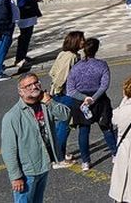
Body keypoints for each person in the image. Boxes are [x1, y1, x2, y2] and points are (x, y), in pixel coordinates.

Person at [1, 73, 69, 203]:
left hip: (43, 166)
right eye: (28, 85)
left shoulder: (45, 105)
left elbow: (65, 116)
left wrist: (49, 101)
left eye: (36, 83)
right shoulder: (12, 117)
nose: (34, 87)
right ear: (21, 92)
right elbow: (8, 150)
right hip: (27, 172)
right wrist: (16, 177)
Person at [65, 36, 118, 170]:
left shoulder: (76, 68)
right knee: (106, 128)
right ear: (96, 50)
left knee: (84, 131)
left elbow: (70, 90)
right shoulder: (102, 65)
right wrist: (93, 98)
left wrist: (84, 98)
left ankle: (85, 161)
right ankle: (115, 154)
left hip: (81, 103)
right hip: (99, 101)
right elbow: (104, 85)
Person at [47, 31, 85, 165]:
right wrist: (58, 91)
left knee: (60, 125)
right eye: (81, 40)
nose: (83, 42)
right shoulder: (71, 57)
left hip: (59, 94)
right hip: (66, 95)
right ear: (75, 41)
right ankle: (59, 157)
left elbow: (52, 72)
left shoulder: (63, 54)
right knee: (65, 126)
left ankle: (57, 153)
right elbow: (61, 77)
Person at [14, 0, 42, 73]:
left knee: (28, 36)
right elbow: (22, 2)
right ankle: (19, 57)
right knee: (24, 37)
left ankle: (23, 55)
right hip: (25, 16)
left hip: (31, 16)